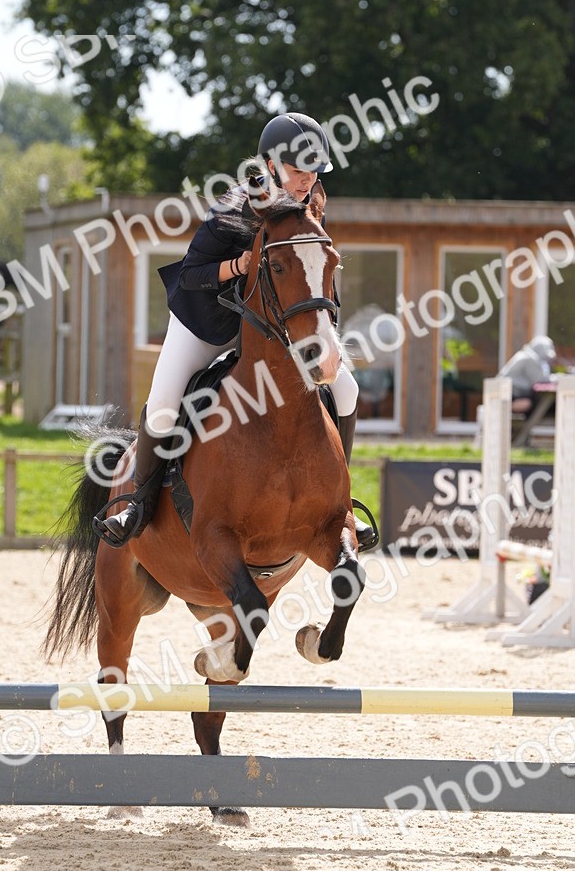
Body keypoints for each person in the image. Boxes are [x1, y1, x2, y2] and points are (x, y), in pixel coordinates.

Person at [98, 111, 377, 549]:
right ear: (270, 165)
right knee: (166, 404)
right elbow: (191, 273)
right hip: (208, 322)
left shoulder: (313, 205)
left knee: (347, 392)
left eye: (313, 171)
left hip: (269, 329)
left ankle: (339, 504)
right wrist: (238, 266)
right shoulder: (234, 206)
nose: (306, 180)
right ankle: (138, 502)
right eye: (297, 169)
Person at [498, 335, 559, 413]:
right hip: (510, 394)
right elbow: (539, 380)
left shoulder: (525, 355)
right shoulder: (529, 358)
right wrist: (557, 378)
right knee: (534, 402)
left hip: (508, 391)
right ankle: (502, 410)